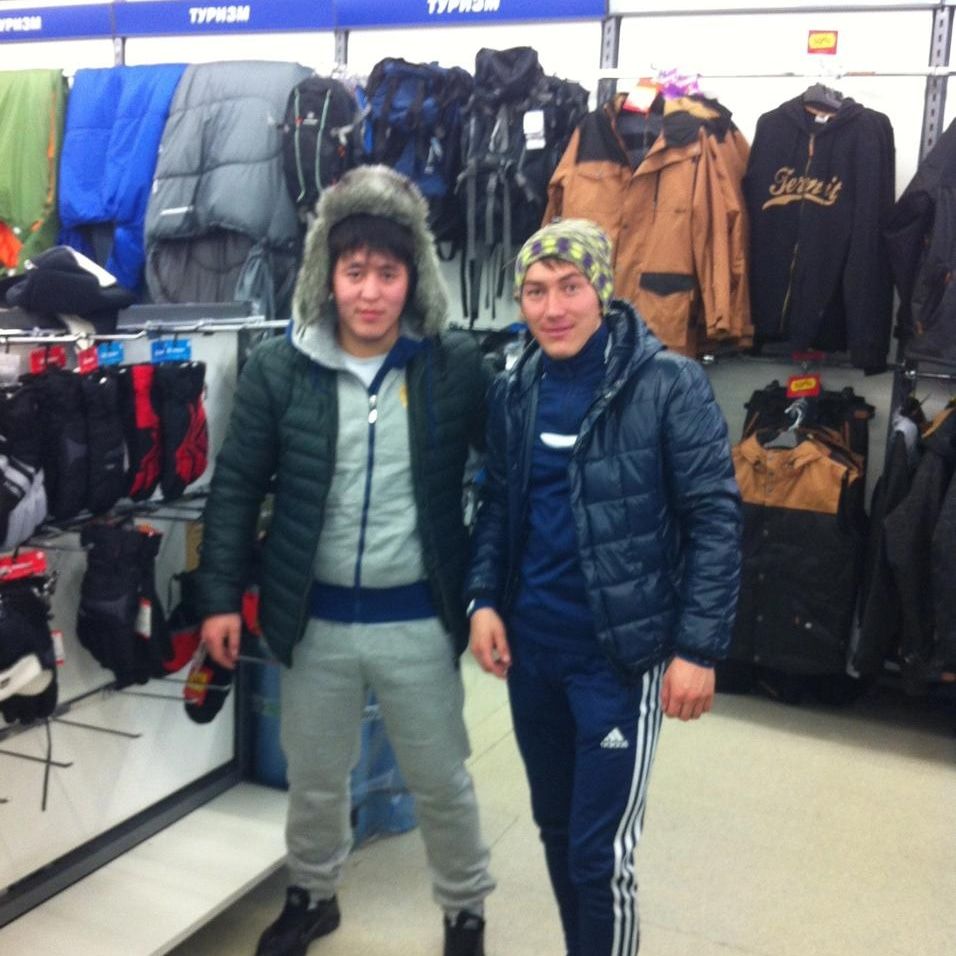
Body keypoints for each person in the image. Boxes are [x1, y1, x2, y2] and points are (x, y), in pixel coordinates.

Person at [198, 165, 495, 956]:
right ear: (326, 276)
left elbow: (506, 479)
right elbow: (236, 486)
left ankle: (465, 911)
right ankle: (312, 895)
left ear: (414, 277)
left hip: (417, 619)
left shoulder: (453, 366)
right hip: (314, 619)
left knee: (441, 778)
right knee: (316, 778)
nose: (370, 292)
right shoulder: (279, 369)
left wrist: (491, 595)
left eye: (388, 273)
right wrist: (219, 595)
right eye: (354, 271)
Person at [465, 219, 741, 956]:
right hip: (533, 654)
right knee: (557, 831)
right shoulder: (515, 387)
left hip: (618, 659)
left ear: (602, 290)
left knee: (600, 856)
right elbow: (497, 502)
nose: (553, 308)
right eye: (535, 291)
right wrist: (483, 598)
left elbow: (715, 519)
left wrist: (698, 649)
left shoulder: (667, 385)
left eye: (570, 287)